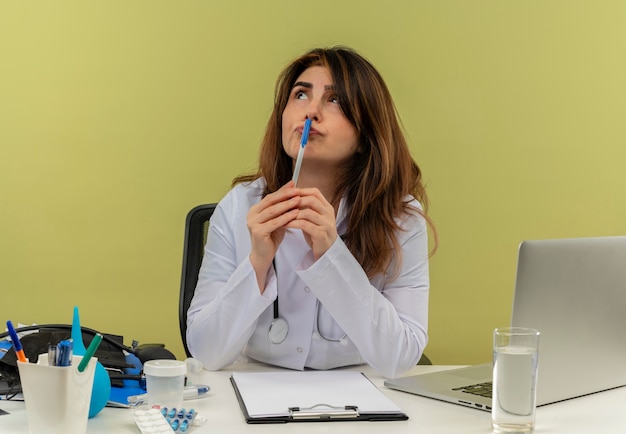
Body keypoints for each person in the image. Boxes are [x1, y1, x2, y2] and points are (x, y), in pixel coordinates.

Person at [186, 46, 436, 379]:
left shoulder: (401, 219)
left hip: (358, 395)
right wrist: (258, 262)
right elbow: (205, 352)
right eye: (300, 95)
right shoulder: (238, 207)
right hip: (255, 395)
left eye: (334, 100)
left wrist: (332, 255)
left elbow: (401, 356)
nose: (311, 112)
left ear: (366, 135)